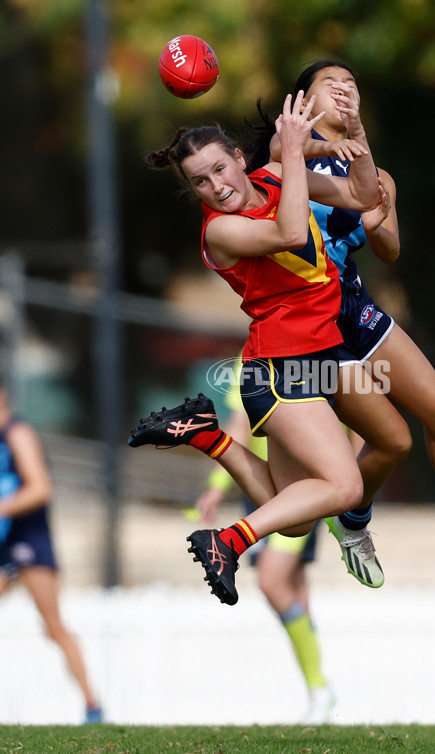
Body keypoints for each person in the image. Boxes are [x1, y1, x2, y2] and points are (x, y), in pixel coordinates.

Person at [264, 60, 435, 570]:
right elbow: (287, 151)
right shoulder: (288, 152)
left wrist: (376, 206)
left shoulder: (375, 173)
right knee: (381, 449)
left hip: (354, 306)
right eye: (332, 83)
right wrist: (330, 146)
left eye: (353, 85)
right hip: (308, 321)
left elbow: (389, 249)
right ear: (303, 101)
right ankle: (345, 521)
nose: (346, 90)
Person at [129, 90, 384, 606]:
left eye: (220, 169)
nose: (216, 186)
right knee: (347, 488)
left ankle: (208, 437)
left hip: (310, 361)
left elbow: (363, 196)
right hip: (280, 370)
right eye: (200, 181)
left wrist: (356, 137)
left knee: (289, 516)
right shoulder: (220, 230)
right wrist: (291, 151)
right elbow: (291, 232)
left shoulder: (274, 179)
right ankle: (228, 540)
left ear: (239, 159)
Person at [194, 356, 335, 724]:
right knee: (294, 589)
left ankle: (320, 689)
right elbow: (241, 423)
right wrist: (216, 487)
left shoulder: (318, 347)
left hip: (302, 486)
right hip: (260, 488)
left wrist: (347, 486)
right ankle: (318, 694)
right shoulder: (250, 354)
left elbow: (347, 420)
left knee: (273, 581)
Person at [0, 381, 103, 724]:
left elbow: (40, 488)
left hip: (29, 539)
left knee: (54, 627)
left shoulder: (17, 433)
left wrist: (3, 508)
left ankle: (93, 706)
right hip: (5, 541)